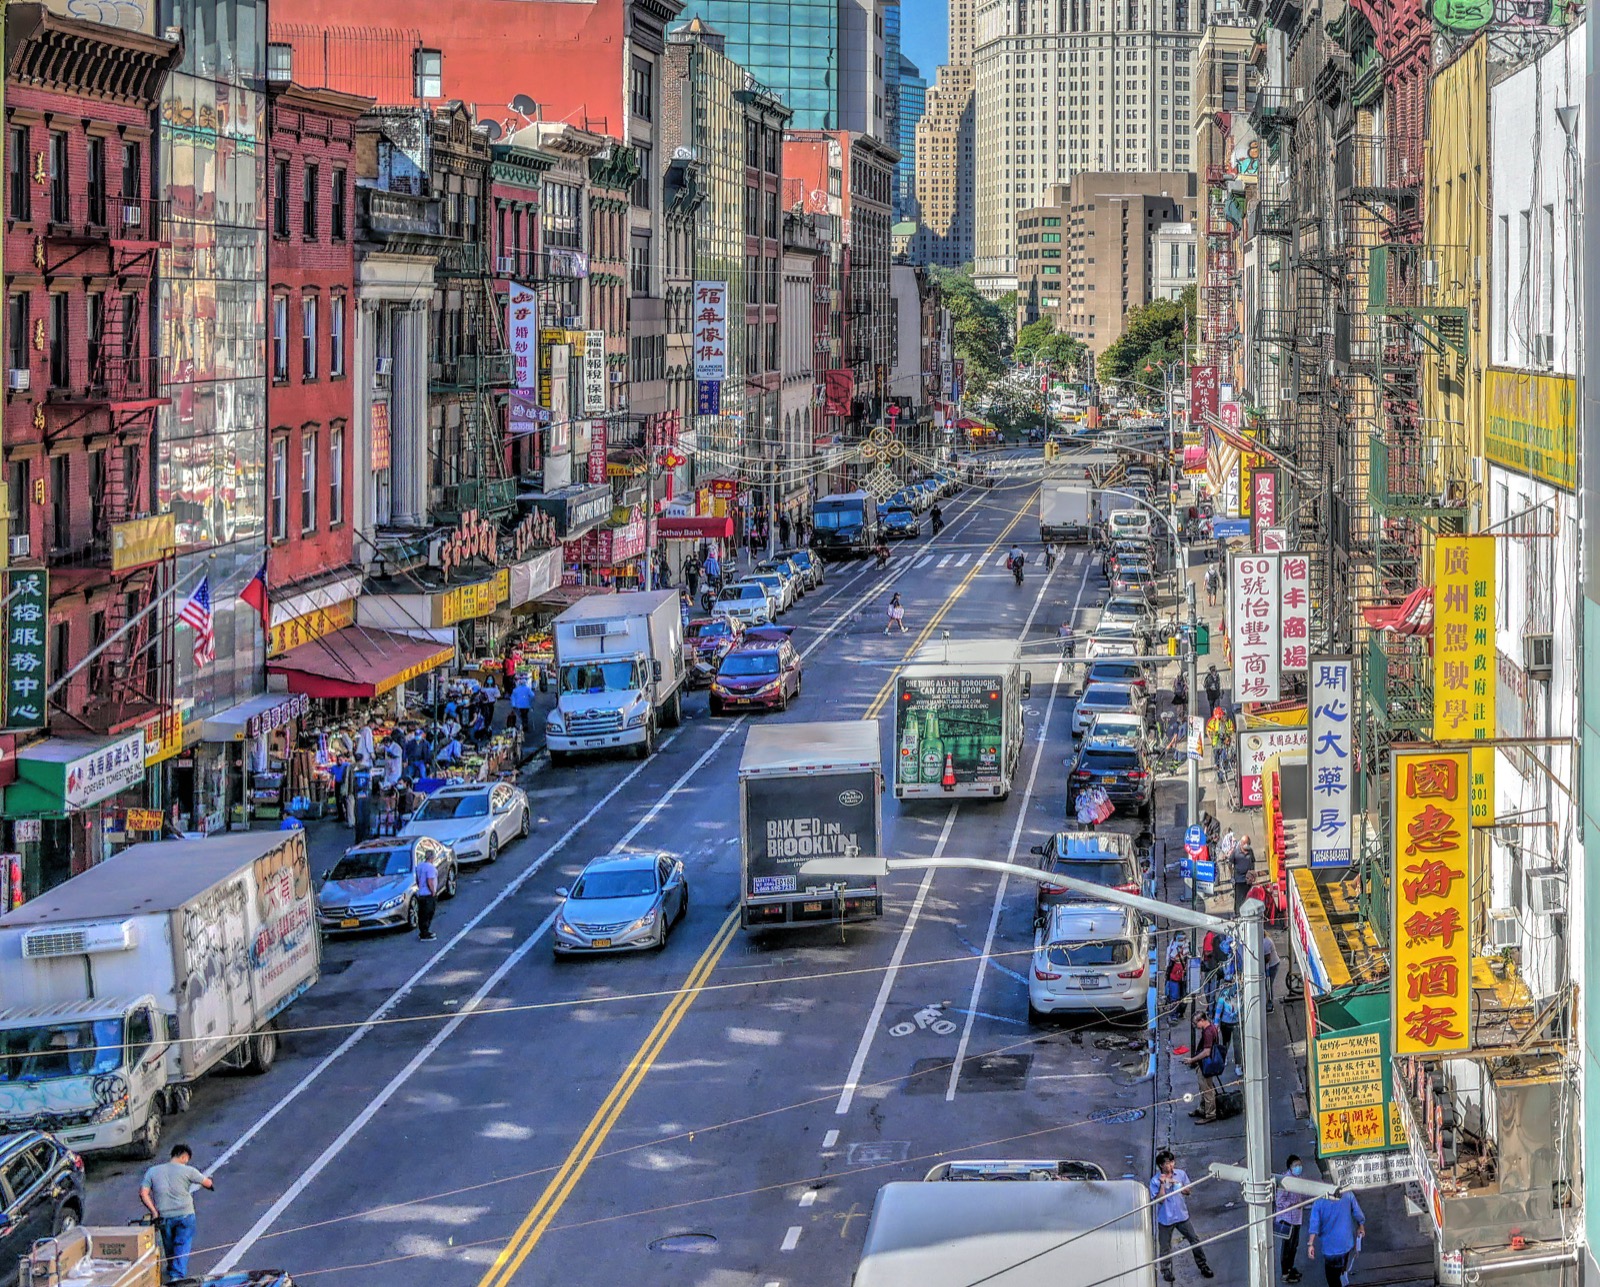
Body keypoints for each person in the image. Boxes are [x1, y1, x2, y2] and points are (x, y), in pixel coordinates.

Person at [140, 1143, 214, 1284]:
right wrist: (210, 1185)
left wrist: (154, 1211)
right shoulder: (188, 1170)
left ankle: (172, 1269)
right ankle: (177, 1275)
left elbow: (143, 1193)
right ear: (184, 1156)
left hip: (164, 1216)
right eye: (187, 1159)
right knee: (183, 1243)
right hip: (185, 1214)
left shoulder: (153, 1171)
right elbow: (208, 1183)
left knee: (169, 1244)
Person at [1149, 1151, 1215, 1282]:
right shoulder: (1155, 1181)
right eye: (1167, 1163)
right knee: (1165, 1247)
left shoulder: (1180, 1174)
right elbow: (1159, 1200)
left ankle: (1203, 1265)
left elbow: (1188, 1191)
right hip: (1166, 1219)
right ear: (1161, 1165)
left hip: (1181, 1215)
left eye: (1172, 1162)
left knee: (1194, 1239)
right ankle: (1166, 1270)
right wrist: (1163, 1184)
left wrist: (1175, 1183)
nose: (1170, 1166)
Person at [1307, 1190, 1365, 1287]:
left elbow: (1314, 1224)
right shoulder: (1348, 1194)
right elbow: (1357, 1213)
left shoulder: (1319, 1200)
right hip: (1346, 1244)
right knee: (1342, 1272)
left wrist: (1311, 1244)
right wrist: (1361, 1225)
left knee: (1333, 1280)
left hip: (1330, 1248)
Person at [1181, 1012, 1226, 1123]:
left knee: (1207, 1089)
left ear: (1201, 1020)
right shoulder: (1211, 1028)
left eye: (1196, 1023)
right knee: (1204, 1088)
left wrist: (1192, 1060)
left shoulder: (1208, 1033)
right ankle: (1203, 1108)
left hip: (1206, 1064)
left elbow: (1206, 1052)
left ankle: (1210, 1114)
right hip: (1205, 1064)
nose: (1196, 1025)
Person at [1275, 1156, 1306, 1283]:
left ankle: (1290, 1268)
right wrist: (1293, 1204)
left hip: (1296, 1218)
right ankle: (1285, 1273)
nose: (1298, 1167)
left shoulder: (1298, 1178)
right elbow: (1279, 1201)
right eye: (1296, 1165)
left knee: (1294, 1245)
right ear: (1290, 1167)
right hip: (1286, 1219)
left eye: (1300, 1165)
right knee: (1287, 1247)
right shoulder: (1285, 1181)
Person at [414, 844, 439, 942]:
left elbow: (417, 879)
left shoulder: (419, 866)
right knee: (428, 913)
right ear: (432, 857)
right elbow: (430, 881)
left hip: (421, 893)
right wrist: (433, 891)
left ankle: (422, 931)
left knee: (422, 913)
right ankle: (425, 933)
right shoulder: (431, 868)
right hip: (428, 894)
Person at [1263, 932, 1281, 1011]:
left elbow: (1267, 958)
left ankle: (1270, 1003)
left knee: (1268, 984)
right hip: (1269, 965)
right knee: (1266, 984)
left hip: (1272, 965)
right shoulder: (1264, 940)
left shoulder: (1266, 942)